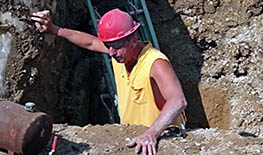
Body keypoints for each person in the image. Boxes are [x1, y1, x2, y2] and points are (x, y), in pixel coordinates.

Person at [31, 9, 188, 155]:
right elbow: (91, 42)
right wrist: (55, 29)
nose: (111, 53)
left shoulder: (155, 62)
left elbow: (178, 101)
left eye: (116, 46)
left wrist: (151, 133)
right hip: (131, 135)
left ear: (133, 39)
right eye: (108, 46)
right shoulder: (120, 53)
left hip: (160, 138)